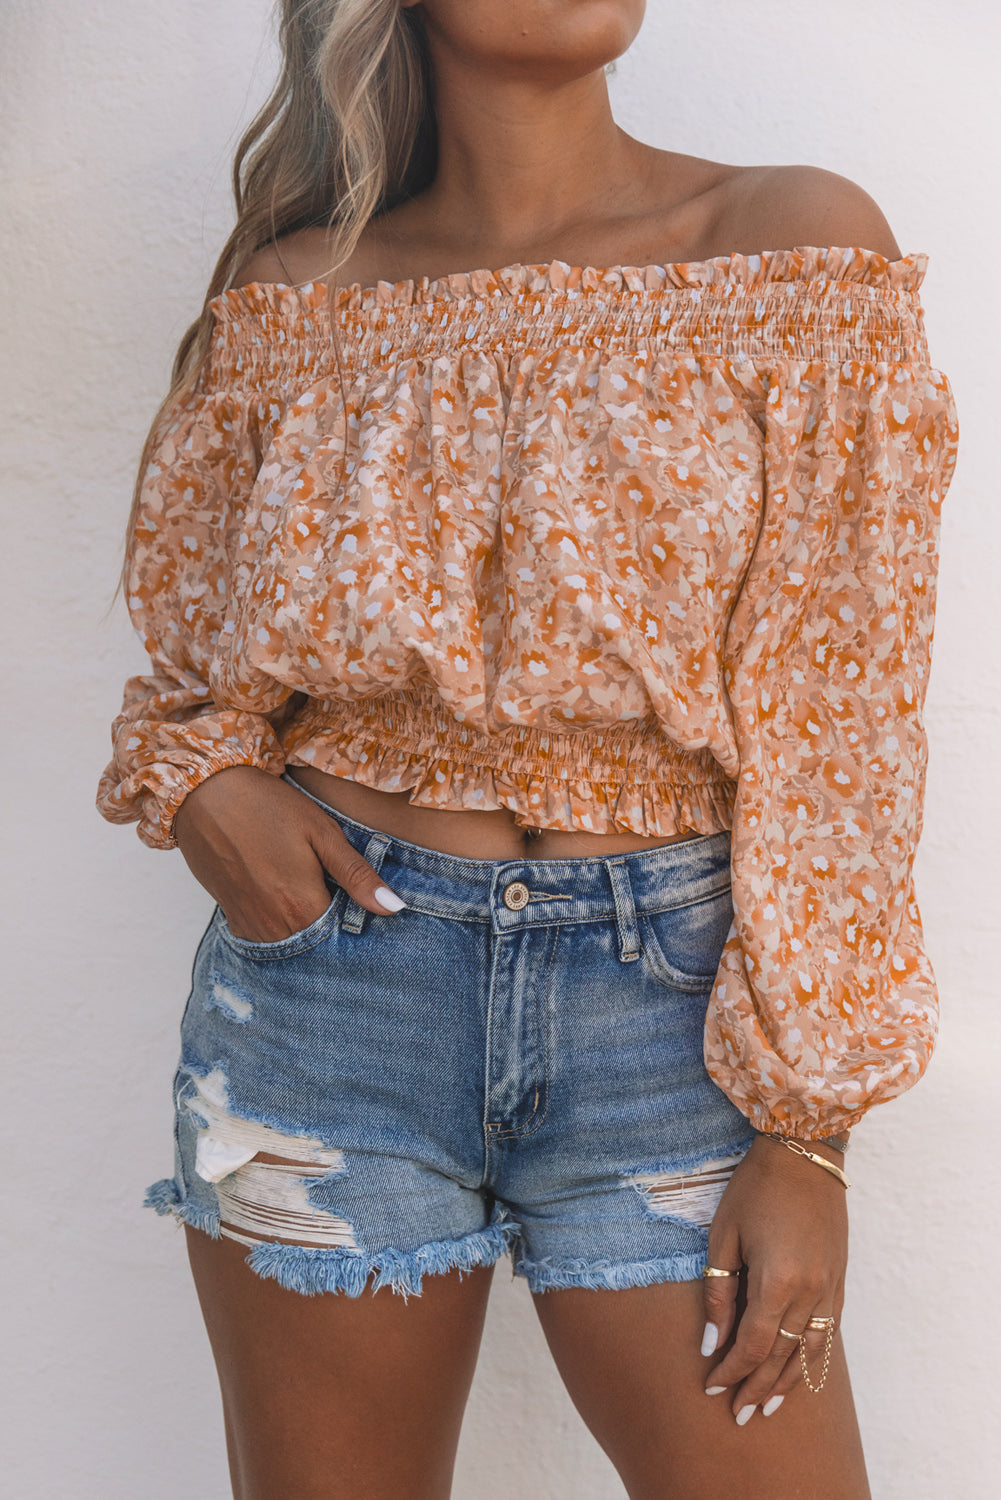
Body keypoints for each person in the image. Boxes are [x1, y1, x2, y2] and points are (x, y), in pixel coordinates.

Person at [96, 2, 960, 1496]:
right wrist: (206, 785)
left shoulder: (789, 248)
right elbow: (195, 649)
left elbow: (843, 707)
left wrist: (806, 1128)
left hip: (672, 1022)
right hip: (331, 1002)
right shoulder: (299, 295)